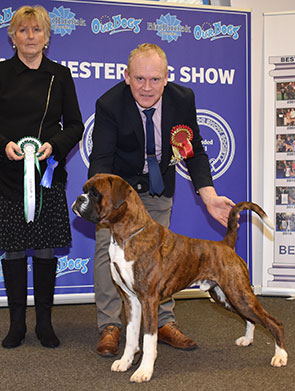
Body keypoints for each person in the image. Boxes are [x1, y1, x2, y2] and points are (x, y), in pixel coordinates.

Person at [88, 43, 234, 357]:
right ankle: (111, 325)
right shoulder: (110, 104)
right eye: (139, 79)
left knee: (161, 256)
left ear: (166, 78)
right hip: (120, 192)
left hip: (158, 188)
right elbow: (100, 160)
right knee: (108, 253)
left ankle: (164, 322)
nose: (147, 87)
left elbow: (194, 152)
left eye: (155, 79)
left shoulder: (183, 100)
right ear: (126, 76)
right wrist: (105, 204)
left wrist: (208, 195)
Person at [0, 6, 84, 349]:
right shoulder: (1, 73)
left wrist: (55, 145)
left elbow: (76, 125)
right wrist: (3, 144)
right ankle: (17, 325)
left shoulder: (60, 75)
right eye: (23, 30)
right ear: (12, 36)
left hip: (47, 175)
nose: (30, 36)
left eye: (36, 30)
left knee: (46, 249)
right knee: (15, 250)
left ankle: (45, 324)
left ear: (47, 37)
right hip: (7, 176)